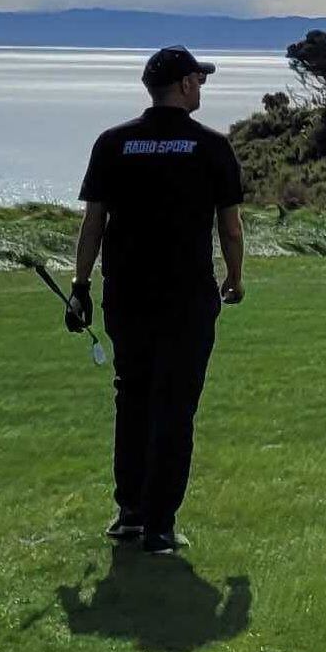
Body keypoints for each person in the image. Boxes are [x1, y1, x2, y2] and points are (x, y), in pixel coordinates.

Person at [65, 46, 246, 554]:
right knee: (175, 405)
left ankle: (131, 512)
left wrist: (81, 287)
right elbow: (229, 228)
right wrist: (236, 277)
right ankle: (160, 526)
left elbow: (93, 224)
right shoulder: (211, 147)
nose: (202, 87)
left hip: (126, 294)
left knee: (134, 398)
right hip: (186, 297)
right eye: (199, 79)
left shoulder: (113, 144)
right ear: (184, 86)